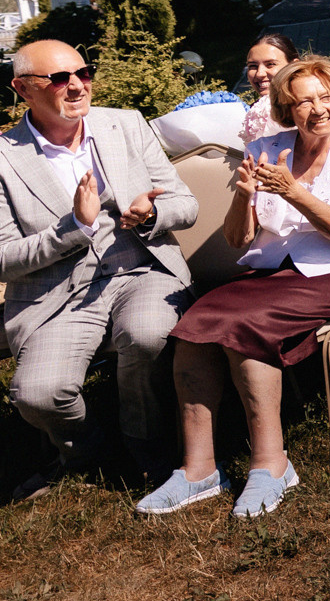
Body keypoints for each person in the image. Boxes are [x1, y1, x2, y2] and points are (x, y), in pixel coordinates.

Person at [140, 57, 330, 518]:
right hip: (275, 272)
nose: (318, 109)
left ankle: (272, 464)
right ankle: (199, 471)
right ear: (285, 109)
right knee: (193, 327)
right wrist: (243, 196)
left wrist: (293, 191)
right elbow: (239, 240)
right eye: (303, 101)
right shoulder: (265, 147)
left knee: (245, 329)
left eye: (325, 97)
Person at [0, 39, 197, 500]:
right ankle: (87, 452)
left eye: (83, 73)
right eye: (60, 78)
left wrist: (151, 217)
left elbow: (185, 205)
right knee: (37, 394)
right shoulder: (4, 157)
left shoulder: (123, 125)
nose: (77, 86)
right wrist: (73, 229)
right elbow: (4, 255)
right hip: (57, 294)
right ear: (22, 89)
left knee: (147, 335)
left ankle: (146, 445)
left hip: (141, 269)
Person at [241, 32, 300, 147]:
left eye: (270, 64)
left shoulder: (309, 107)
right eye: (253, 66)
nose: (259, 73)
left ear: (293, 65)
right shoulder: (255, 110)